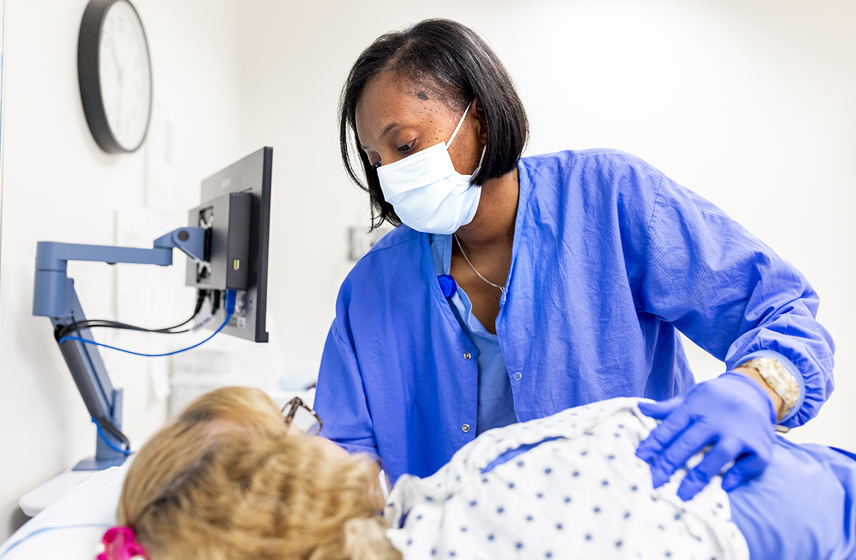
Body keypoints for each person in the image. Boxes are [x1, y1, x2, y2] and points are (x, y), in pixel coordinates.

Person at [315, 18, 835, 498]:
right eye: (377, 161)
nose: (391, 176)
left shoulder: (611, 199)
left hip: (635, 530)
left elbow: (778, 309)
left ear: (481, 121)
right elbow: (343, 466)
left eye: (405, 145)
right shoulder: (372, 287)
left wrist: (756, 390)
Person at [102, 386, 856, 560]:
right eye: (292, 429)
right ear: (278, 489)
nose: (317, 429)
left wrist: (763, 381)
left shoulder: (412, 518)